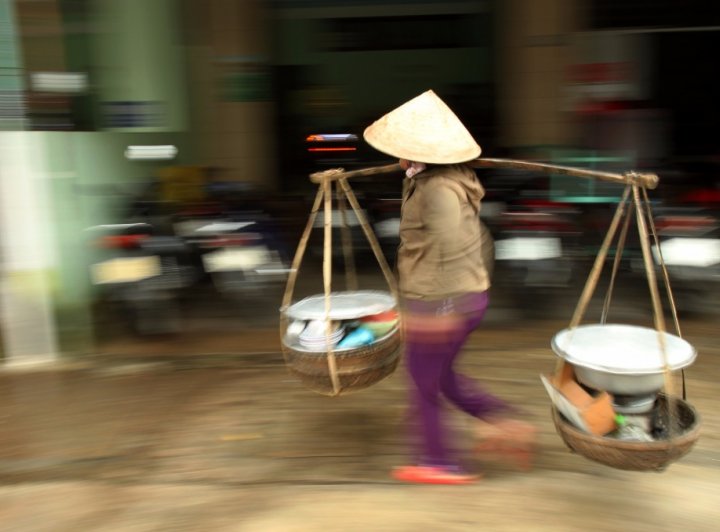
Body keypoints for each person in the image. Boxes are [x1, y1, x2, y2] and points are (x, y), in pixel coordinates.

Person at [363, 90, 537, 485]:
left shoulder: (438, 188)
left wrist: (443, 309)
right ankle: (504, 421)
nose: (398, 156)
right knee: (441, 377)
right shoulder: (444, 178)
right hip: (460, 296)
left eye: (403, 150)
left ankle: (441, 461)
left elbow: (452, 246)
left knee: (424, 382)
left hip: (444, 299)